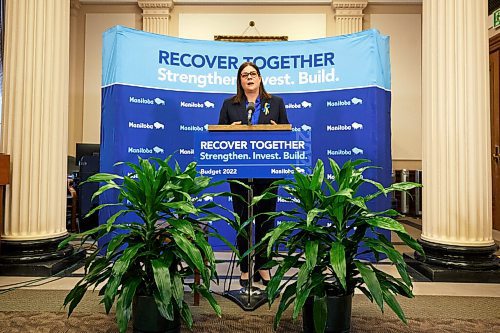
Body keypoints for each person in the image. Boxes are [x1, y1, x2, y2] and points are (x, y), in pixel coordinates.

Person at [218, 62, 289, 288]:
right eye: (244, 75)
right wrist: (231, 130)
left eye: (253, 74)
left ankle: (264, 266)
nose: (249, 77)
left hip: (267, 172)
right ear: (240, 80)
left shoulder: (275, 103)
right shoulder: (229, 105)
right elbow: (219, 139)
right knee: (243, 221)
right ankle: (245, 266)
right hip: (239, 172)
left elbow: (287, 134)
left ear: (260, 78)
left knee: (266, 220)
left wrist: (278, 129)